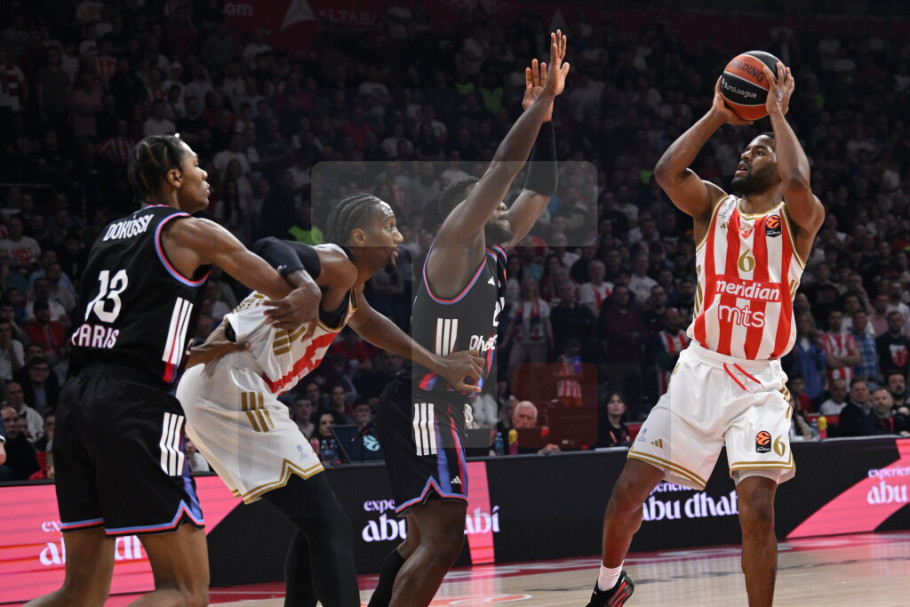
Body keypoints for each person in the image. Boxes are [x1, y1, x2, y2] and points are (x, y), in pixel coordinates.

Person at [26, 135, 319, 607]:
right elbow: (278, 283)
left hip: (76, 403)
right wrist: (308, 287)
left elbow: (122, 331)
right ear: (174, 176)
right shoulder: (190, 230)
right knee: (184, 592)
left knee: (78, 593)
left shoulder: (108, 235)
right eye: (197, 164)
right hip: (135, 404)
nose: (206, 174)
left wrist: (205, 350)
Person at [586, 60, 824, 607]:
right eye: (746, 149)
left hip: (758, 385)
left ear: (779, 161)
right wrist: (718, 114)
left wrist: (776, 116)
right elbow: (667, 173)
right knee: (627, 493)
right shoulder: (714, 207)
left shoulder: (797, 221)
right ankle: (608, 584)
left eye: (757, 150)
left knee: (758, 510)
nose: (745, 154)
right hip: (700, 370)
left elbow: (798, 182)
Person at [176, 192, 485, 607]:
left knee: (316, 523)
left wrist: (438, 364)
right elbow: (269, 245)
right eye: (388, 226)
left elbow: (371, 323)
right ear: (359, 236)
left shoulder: (349, 288)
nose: (398, 236)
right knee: (330, 524)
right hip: (229, 382)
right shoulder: (338, 263)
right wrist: (305, 284)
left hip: (224, 384)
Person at [370, 32, 569, 607]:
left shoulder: (495, 251)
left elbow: (540, 188)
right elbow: (505, 172)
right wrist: (533, 107)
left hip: (440, 404)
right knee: (445, 539)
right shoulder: (454, 246)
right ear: (470, 208)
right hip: (423, 401)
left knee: (421, 542)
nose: (507, 206)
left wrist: (546, 116)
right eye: (495, 201)